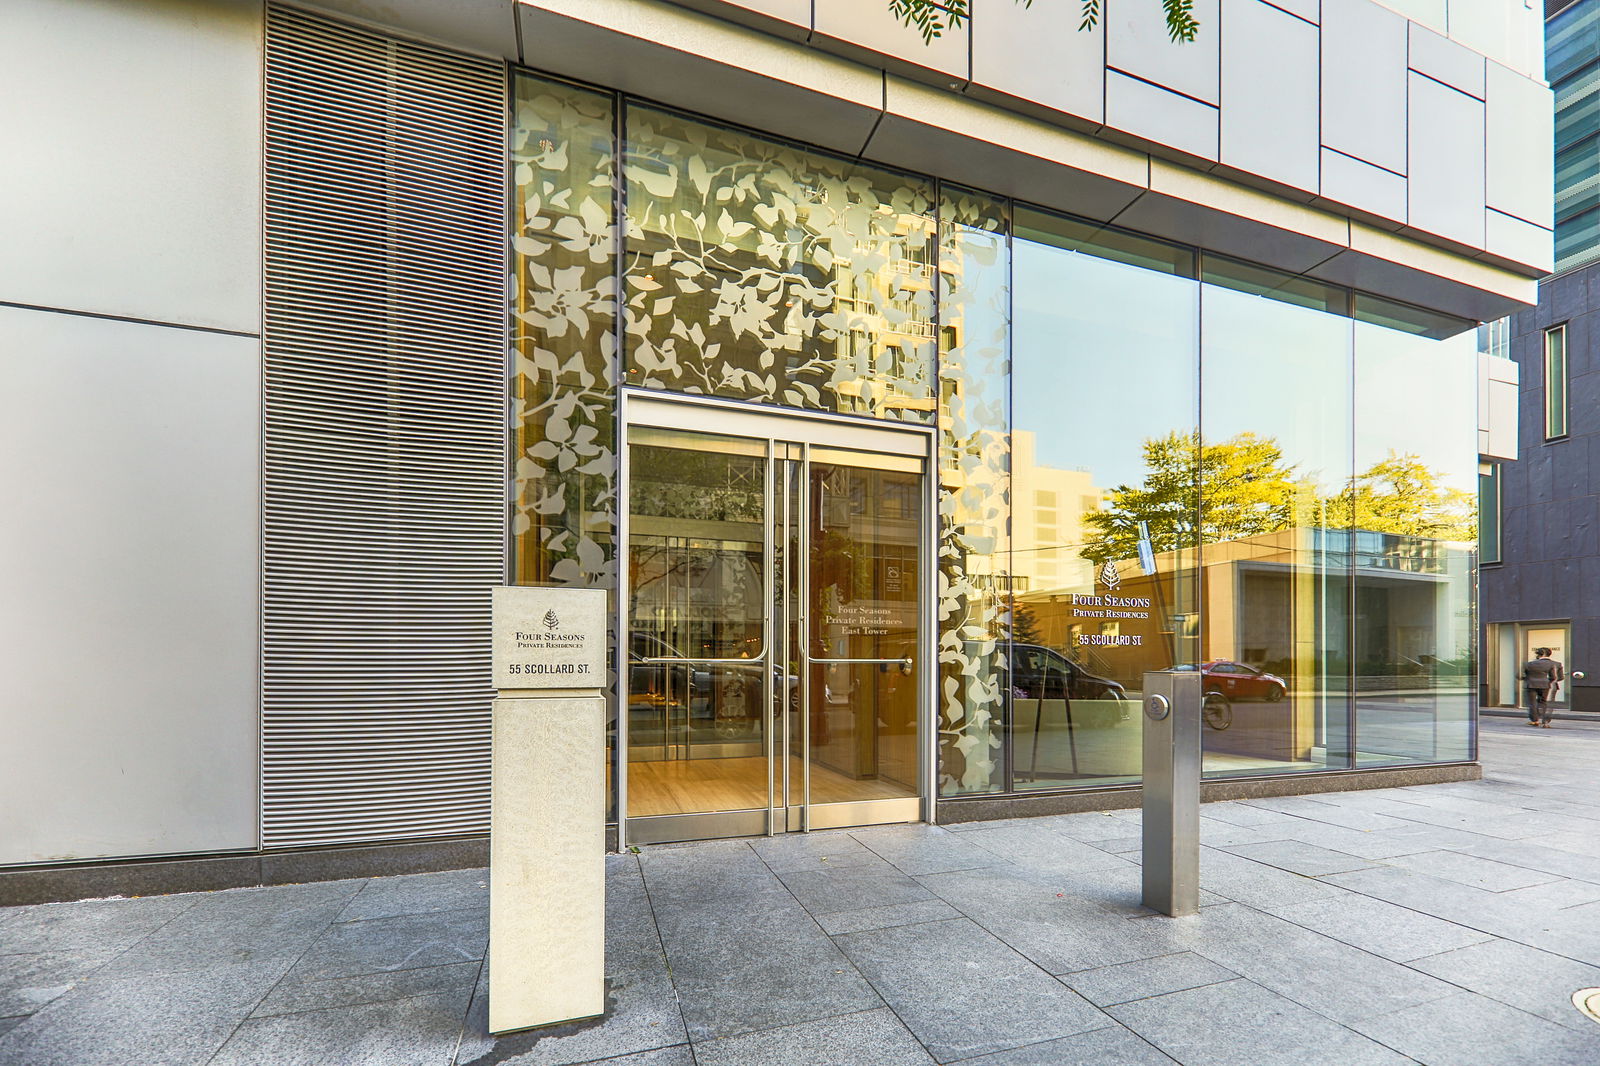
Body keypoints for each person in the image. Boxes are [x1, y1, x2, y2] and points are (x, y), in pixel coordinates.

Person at [1522, 648, 1565, 728]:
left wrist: (1527, 679)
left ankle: (1535, 720)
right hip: (1550, 686)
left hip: (1532, 684)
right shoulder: (1557, 664)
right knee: (1547, 703)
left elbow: (1521, 675)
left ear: (1539, 655)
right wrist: (1548, 681)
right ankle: (1545, 722)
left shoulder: (1530, 664)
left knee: (1533, 703)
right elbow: (1560, 677)